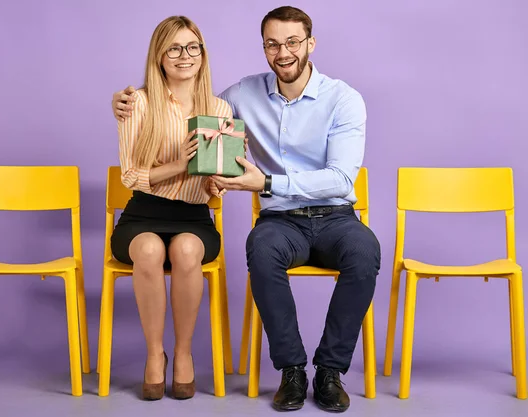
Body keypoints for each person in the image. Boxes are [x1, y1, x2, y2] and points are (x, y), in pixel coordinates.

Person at [111, 6, 380, 413]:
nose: (283, 51)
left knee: (365, 252)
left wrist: (266, 182)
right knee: (261, 250)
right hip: (279, 221)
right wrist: (123, 101)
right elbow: (205, 133)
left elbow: (342, 179)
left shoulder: (343, 99)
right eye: (273, 43)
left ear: (310, 43)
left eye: (292, 41)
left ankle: (329, 370)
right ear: (264, 48)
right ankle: (291, 370)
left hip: (336, 216)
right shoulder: (239, 97)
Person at [110, 15, 234, 401]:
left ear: (202, 53)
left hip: (194, 217)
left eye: (192, 47)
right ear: (160, 56)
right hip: (142, 213)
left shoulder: (220, 108)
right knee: (148, 249)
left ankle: (182, 354)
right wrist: (182, 162)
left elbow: (217, 185)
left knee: (184, 250)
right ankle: (154, 355)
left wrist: (220, 179)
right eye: (174, 48)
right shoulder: (138, 102)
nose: (185, 56)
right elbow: (130, 175)